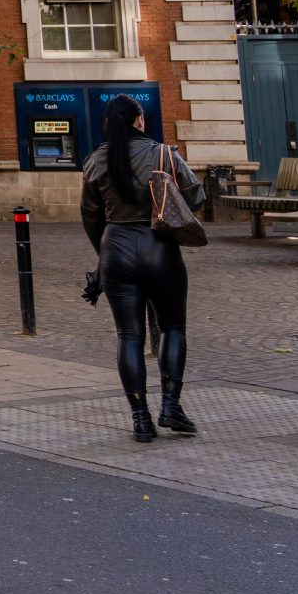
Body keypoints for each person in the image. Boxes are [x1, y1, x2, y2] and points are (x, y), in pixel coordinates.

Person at [80, 94, 205, 443]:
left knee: (129, 337)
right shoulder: (163, 154)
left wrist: (103, 258)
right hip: (159, 247)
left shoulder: (95, 160)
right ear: (139, 120)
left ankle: (140, 418)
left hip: (115, 247)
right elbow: (196, 198)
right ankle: (171, 406)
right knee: (172, 327)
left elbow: (90, 216)